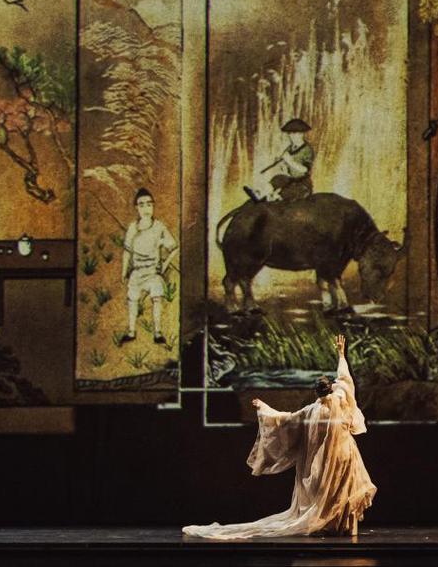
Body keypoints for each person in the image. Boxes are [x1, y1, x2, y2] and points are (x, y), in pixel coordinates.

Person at [183, 334, 376, 539]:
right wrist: (341, 355)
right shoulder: (340, 400)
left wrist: (264, 409)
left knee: (328, 491)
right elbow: (345, 379)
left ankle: (332, 524)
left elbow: (285, 420)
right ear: (330, 389)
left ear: (317, 392)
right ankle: (344, 526)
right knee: (342, 490)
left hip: (327, 460)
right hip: (343, 456)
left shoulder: (312, 410)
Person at [120, 188, 177, 345]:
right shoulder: (133, 228)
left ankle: (158, 333)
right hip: (137, 271)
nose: (146, 208)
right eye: (141, 205)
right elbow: (127, 251)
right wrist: (123, 272)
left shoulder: (159, 227)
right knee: (132, 299)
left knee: (157, 298)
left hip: (153, 272)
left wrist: (164, 265)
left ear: (153, 206)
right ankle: (131, 332)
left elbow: (174, 247)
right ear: (136, 208)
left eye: (149, 204)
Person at [244, 118, 315, 203]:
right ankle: (259, 194)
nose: (291, 137)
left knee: (289, 192)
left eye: (294, 133)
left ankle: (273, 198)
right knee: (278, 178)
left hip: (303, 183)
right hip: (291, 179)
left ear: (301, 134)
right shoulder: (290, 148)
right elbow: (287, 169)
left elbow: (305, 169)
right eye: (290, 134)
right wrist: (283, 165)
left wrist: (289, 161)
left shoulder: (307, 150)